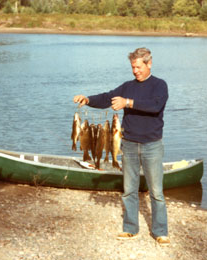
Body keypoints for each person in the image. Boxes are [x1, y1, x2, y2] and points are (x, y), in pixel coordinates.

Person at [73, 47, 170, 245]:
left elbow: (155, 106)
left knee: (157, 192)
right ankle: (130, 228)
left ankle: (160, 232)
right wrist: (88, 99)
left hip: (152, 145)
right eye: (133, 67)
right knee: (129, 190)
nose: (135, 71)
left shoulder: (159, 85)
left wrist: (128, 103)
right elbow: (107, 98)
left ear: (149, 64)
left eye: (138, 67)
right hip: (129, 144)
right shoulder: (127, 86)